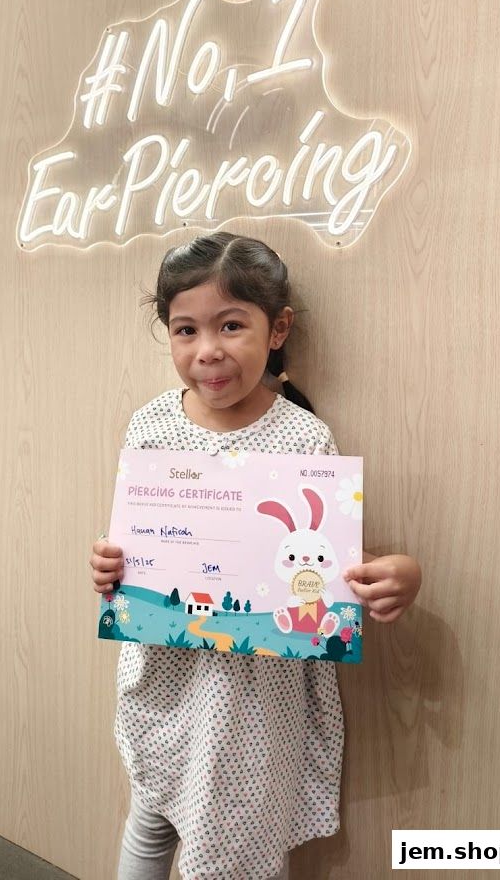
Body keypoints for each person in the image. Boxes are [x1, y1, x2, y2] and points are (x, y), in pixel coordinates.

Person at [91, 232, 422, 880]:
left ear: (278, 330)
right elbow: (134, 550)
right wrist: (109, 567)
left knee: (241, 845)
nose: (207, 350)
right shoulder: (149, 426)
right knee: (151, 815)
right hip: (164, 675)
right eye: (185, 330)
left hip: (254, 696)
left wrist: (398, 575)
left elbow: (326, 570)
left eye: (231, 324)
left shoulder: (305, 439)